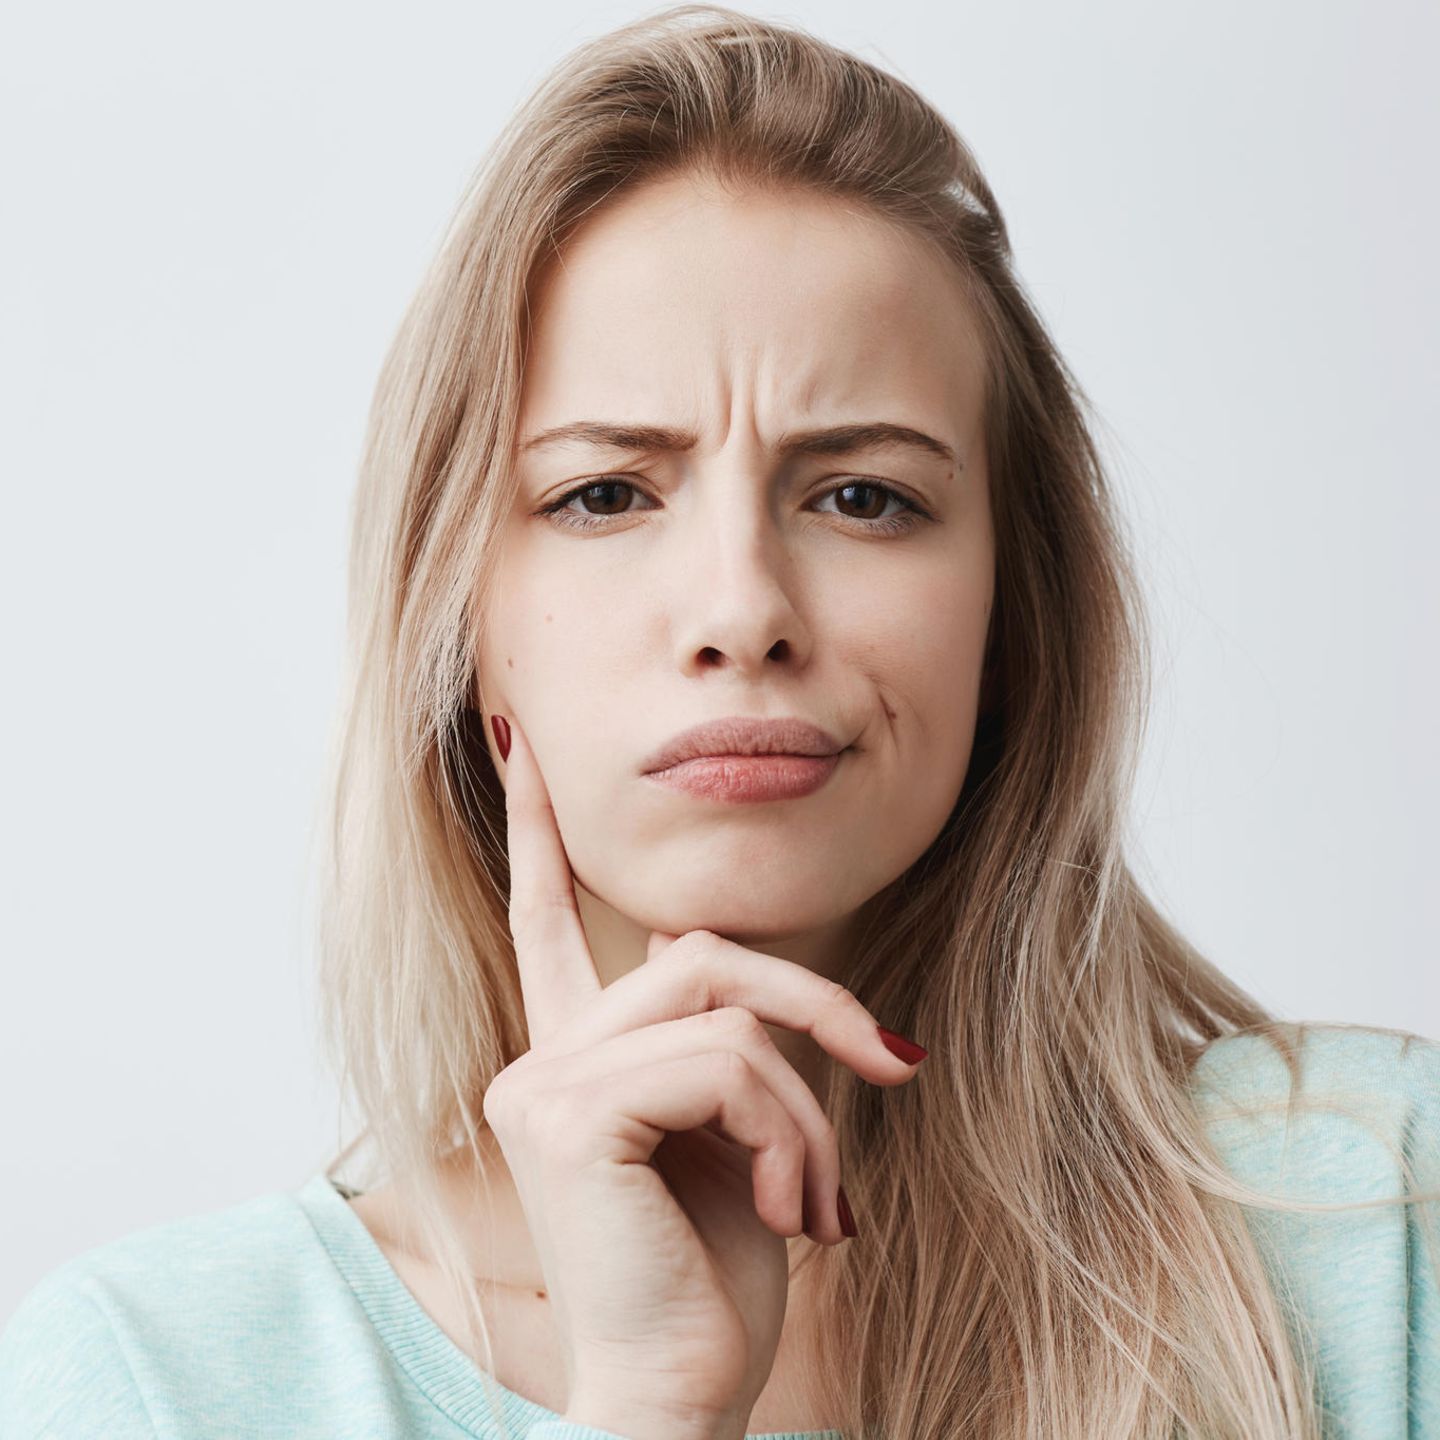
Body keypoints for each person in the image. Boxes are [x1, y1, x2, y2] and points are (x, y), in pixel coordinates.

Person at [3, 5, 1437, 1438]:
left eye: (863, 495)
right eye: (606, 495)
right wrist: (648, 1412)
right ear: (462, 633)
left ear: (1012, 617)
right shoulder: (147, 1382)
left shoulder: (1381, 1220)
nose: (742, 610)